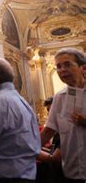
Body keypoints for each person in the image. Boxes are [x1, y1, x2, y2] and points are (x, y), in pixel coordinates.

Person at [40, 48, 86, 182]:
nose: (62, 70)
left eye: (67, 64)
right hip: (72, 172)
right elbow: (49, 130)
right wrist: (27, 149)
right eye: (58, 66)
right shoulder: (59, 98)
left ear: (83, 68)